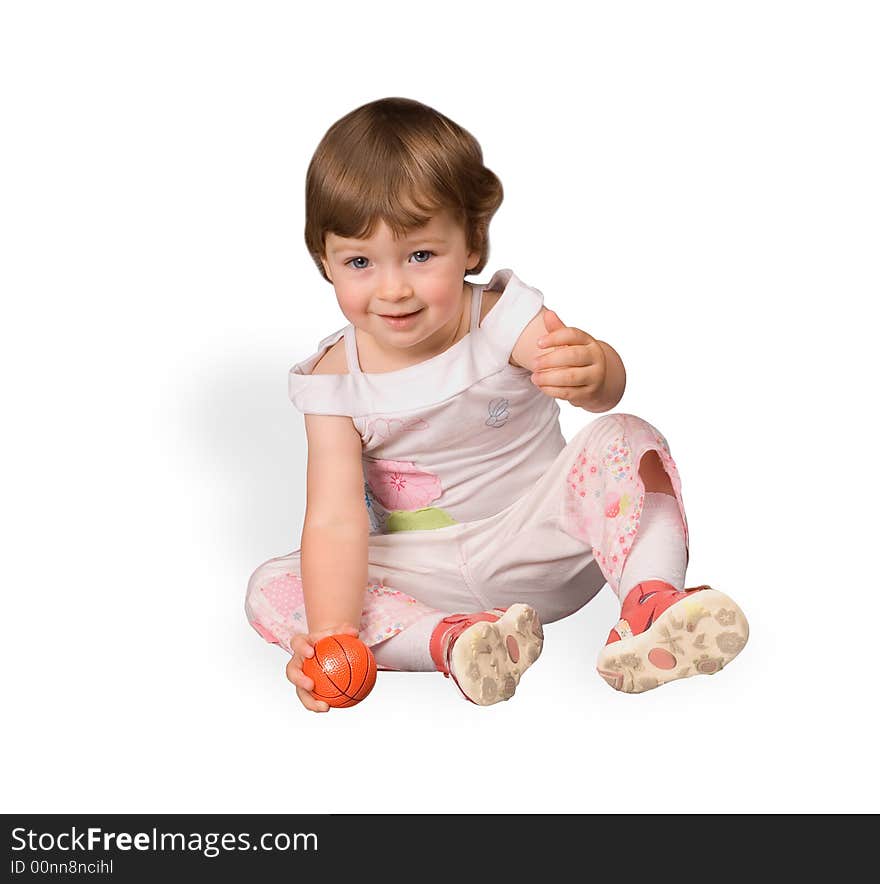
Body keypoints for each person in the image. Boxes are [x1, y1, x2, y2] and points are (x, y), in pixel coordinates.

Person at [245, 96, 749, 711]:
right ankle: (456, 643)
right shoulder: (332, 385)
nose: (394, 288)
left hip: (543, 539)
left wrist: (594, 369)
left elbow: (603, 390)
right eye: (360, 262)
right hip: (421, 572)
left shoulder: (503, 321)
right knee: (273, 586)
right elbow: (334, 520)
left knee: (626, 434)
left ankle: (651, 606)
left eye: (421, 255)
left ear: (472, 245)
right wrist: (331, 637)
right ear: (325, 262)